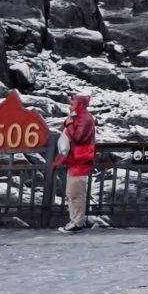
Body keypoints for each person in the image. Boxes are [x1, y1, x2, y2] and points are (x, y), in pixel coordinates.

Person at [54, 94, 98, 233]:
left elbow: (79, 137)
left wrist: (69, 124)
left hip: (81, 160)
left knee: (76, 193)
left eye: (73, 103)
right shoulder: (78, 117)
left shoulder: (85, 118)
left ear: (80, 104)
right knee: (71, 192)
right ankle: (75, 221)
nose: (70, 105)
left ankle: (77, 222)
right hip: (75, 160)